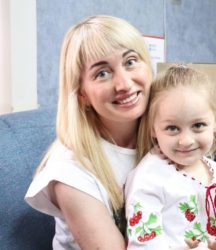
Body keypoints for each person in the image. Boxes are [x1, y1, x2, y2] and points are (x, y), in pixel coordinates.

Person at [25, 15, 153, 249]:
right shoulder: (69, 170)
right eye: (102, 73)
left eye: (131, 61)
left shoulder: (163, 138)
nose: (124, 84)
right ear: (82, 94)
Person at [125, 66, 216, 250]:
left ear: (215, 121)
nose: (186, 141)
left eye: (198, 125)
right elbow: (143, 245)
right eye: (172, 128)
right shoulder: (149, 179)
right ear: (152, 128)